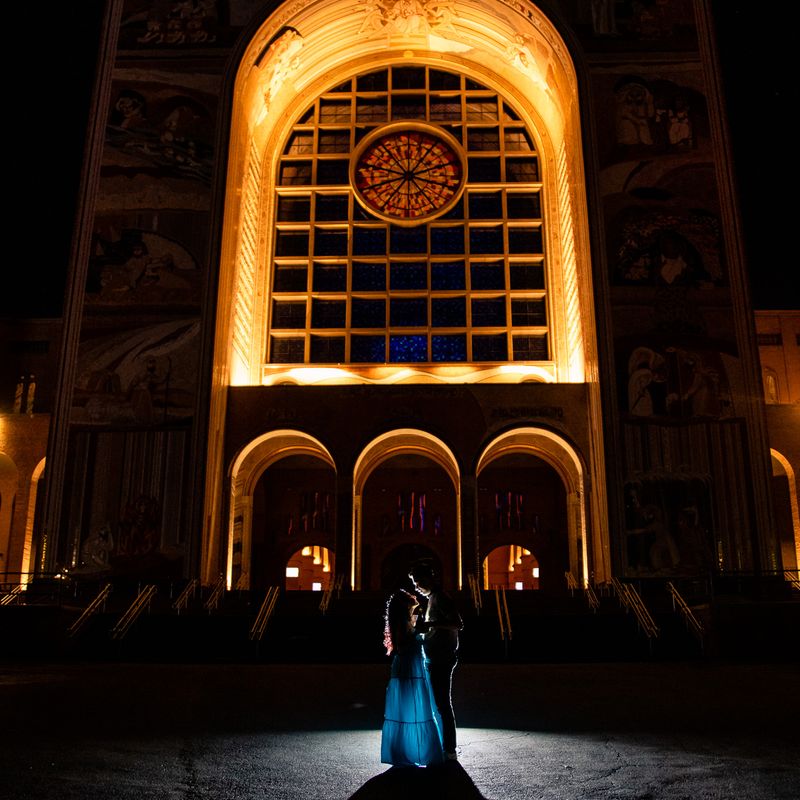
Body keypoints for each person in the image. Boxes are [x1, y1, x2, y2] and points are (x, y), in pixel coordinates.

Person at [380, 590, 445, 767]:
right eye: (410, 604)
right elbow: (403, 646)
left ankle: (408, 749)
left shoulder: (404, 621)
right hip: (408, 667)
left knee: (411, 708)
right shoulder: (401, 623)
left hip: (411, 666)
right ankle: (411, 750)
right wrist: (418, 632)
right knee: (412, 708)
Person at [409, 562, 463, 760]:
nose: (416, 587)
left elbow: (457, 623)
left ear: (429, 578)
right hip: (434, 656)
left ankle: (449, 749)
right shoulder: (432, 599)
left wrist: (430, 624)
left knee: (442, 704)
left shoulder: (441, 597)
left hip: (442, 657)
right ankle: (445, 745)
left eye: (418, 582)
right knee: (439, 704)